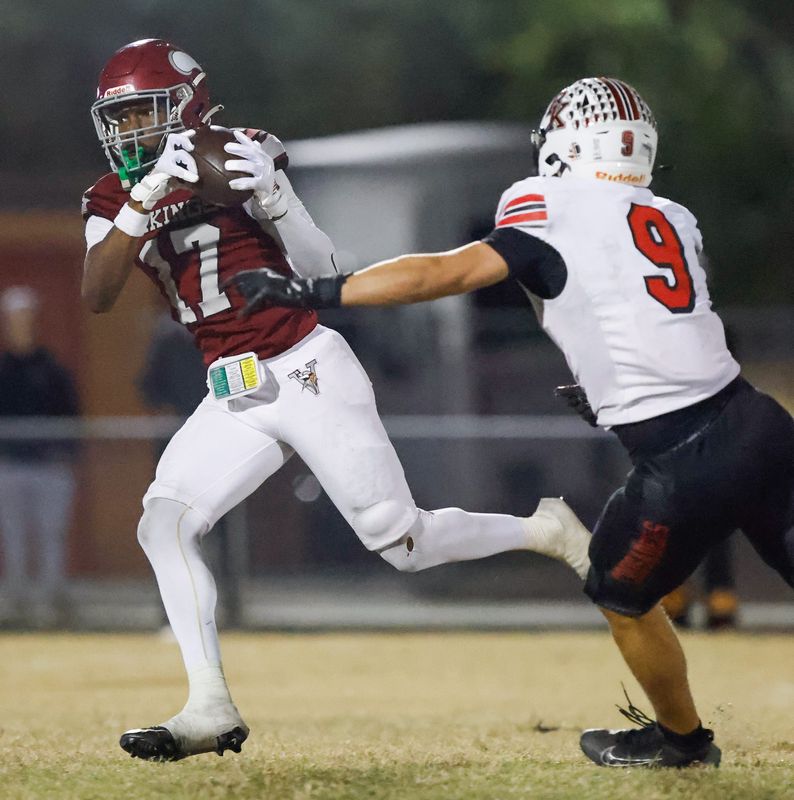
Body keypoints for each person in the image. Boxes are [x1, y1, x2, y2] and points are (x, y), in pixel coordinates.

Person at [231, 76, 794, 769]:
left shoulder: (547, 204)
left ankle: (681, 741)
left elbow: (444, 273)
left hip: (682, 459)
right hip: (758, 422)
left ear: (567, 146)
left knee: (618, 591)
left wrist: (318, 291)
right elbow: (655, 318)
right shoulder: (670, 215)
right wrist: (609, 391)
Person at [81, 39, 590, 762]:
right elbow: (97, 292)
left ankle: (545, 531)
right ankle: (209, 706)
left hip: (305, 366)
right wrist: (144, 197)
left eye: (144, 112)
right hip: (232, 390)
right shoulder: (111, 195)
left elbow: (324, 269)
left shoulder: (241, 151)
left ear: (187, 106)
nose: (130, 130)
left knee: (404, 543)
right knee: (164, 522)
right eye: (121, 117)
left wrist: (277, 198)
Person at [0, 286, 80, 627]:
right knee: (13, 536)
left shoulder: (52, 369)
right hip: (10, 466)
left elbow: (71, 414)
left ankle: (51, 604)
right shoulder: (3, 370)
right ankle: (16, 604)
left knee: (51, 535)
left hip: (49, 467)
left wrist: (66, 453)